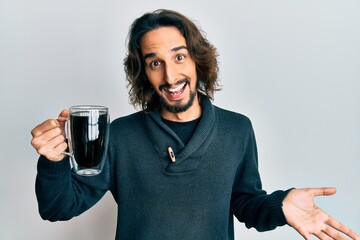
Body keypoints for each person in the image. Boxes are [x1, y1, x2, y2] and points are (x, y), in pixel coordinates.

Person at [31, 9, 359, 240]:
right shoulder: (120, 135)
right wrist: (54, 160)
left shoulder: (237, 130)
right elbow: (60, 207)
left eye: (179, 56)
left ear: (197, 60)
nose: (171, 77)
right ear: (143, 73)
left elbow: (245, 204)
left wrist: (280, 205)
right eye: (155, 63)